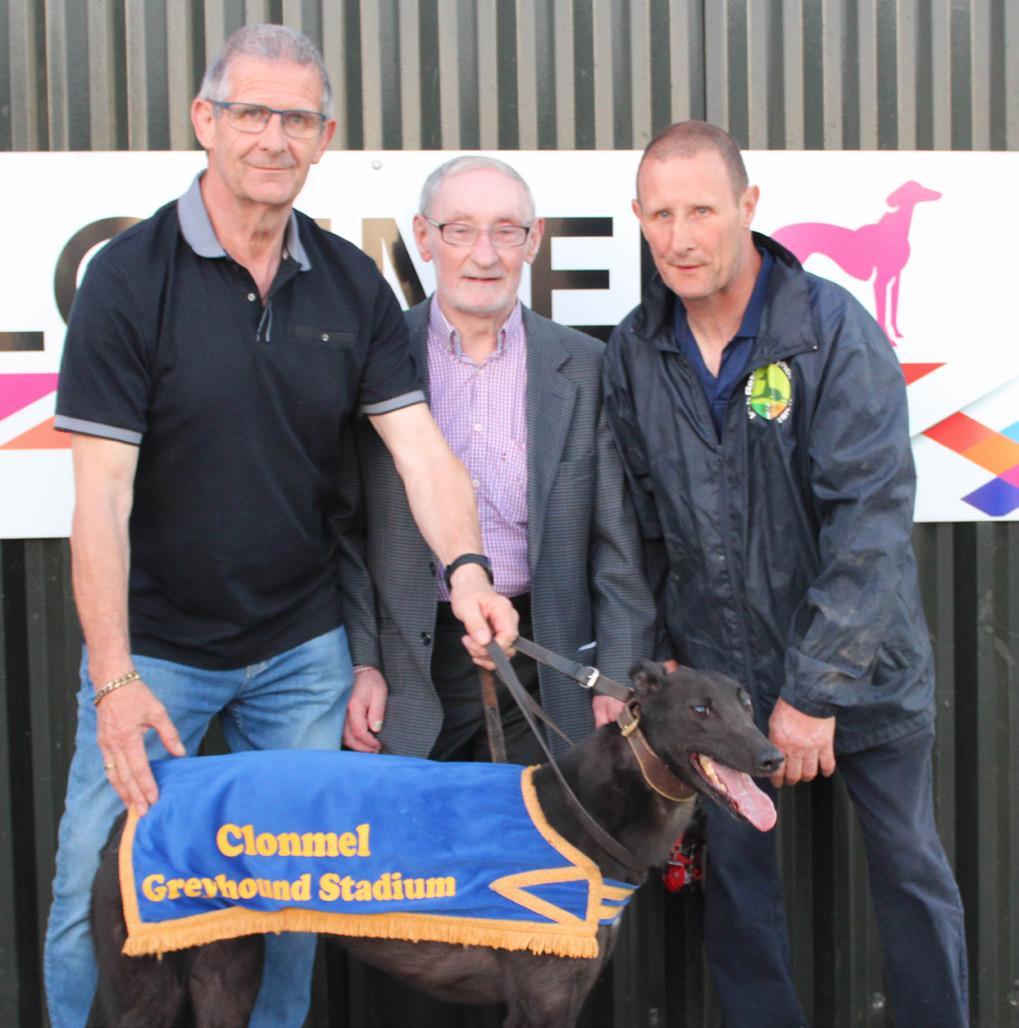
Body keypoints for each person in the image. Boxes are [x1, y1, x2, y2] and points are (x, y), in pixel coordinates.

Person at [44, 26, 516, 1028]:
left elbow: (422, 454)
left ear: (325, 136)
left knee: (294, 895)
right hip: (154, 650)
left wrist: (469, 571)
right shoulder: (127, 278)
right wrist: (115, 679)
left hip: (300, 650)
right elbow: (99, 503)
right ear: (204, 120)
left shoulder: (350, 282)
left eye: (296, 118)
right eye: (250, 112)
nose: (273, 137)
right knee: (97, 890)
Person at [602, 120, 968, 1028]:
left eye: (701, 211)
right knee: (737, 889)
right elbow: (642, 529)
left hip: (863, 671)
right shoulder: (636, 350)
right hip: (719, 683)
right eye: (660, 215)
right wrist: (654, 664)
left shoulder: (828, 330)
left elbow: (868, 524)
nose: (680, 238)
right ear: (639, 219)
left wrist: (814, 691)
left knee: (909, 873)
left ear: (748, 207)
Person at [341, 154, 655, 766]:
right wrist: (361, 663)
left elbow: (618, 545)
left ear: (534, 240)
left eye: (506, 230)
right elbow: (344, 534)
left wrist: (618, 676)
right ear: (424, 238)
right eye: (459, 229)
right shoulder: (376, 361)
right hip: (407, 672)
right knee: (415, 830)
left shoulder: (585, 367)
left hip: (546, 663)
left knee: (534, 827)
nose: (483, 255)